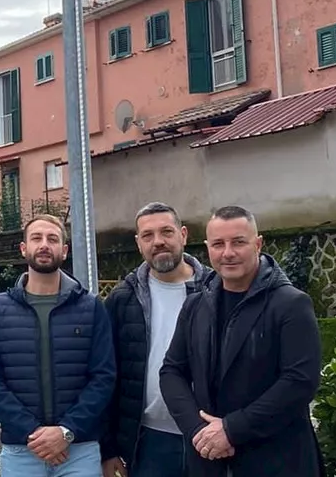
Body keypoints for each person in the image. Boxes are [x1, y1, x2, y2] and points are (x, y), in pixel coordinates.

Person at [159, 205, 323, 477]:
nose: (228, 253)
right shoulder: (194, 306)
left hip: (277, 461)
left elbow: (300, 381)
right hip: (209, 460)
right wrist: (199, 431)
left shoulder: (291, 304)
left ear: (258, 243)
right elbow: (171, 371)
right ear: (207, 248)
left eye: (238, 242)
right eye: (218, 244)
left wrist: (232, 430)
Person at [0, 214, 117, 477]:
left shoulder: (91, 307)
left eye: (52, 239)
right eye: (36, 238)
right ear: (23, 248)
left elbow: (103, 377)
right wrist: (33, 432)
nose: (44, 245)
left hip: (79, 448)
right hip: (22, 448)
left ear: (64, 250)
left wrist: (65, 431)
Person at [100, 203, 213, 477]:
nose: (158, 242)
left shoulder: (216, 289)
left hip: (212, 436)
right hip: (149, 441)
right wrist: (109, 448)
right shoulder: (122, 299)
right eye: (148, 235)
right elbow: (106, 377)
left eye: (166, 232)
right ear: (138, 244)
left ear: (183, 235)